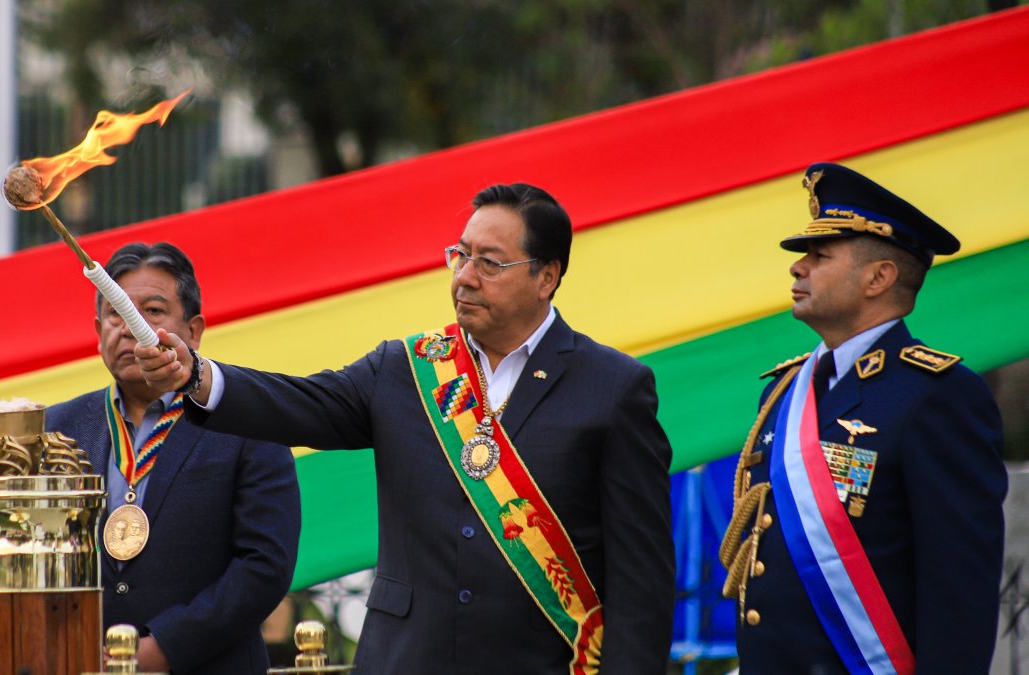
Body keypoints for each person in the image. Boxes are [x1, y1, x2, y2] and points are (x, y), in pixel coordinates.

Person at [134, 183, 675, 673]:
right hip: (404, 658)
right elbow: (300, 403)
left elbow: (641, 581)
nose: (464, 276)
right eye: (459, 255)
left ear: (546, 277)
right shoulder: (406, 369)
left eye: (489, 263)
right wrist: (196, 374)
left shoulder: (613, 388)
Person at [719, 163, 1007, 674]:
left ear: (879, 277)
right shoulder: (783, 391)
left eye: (819, 256)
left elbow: (958, 588)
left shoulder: (936, 396)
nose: (797, 268)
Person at [46, 242, 301, 675]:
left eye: (152, 311)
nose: (129, 326)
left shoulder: (248, 421)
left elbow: (264, 566)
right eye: (116, 312)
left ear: (194, 331)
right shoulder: (56, 429)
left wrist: (163, 648)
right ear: (97, 329)